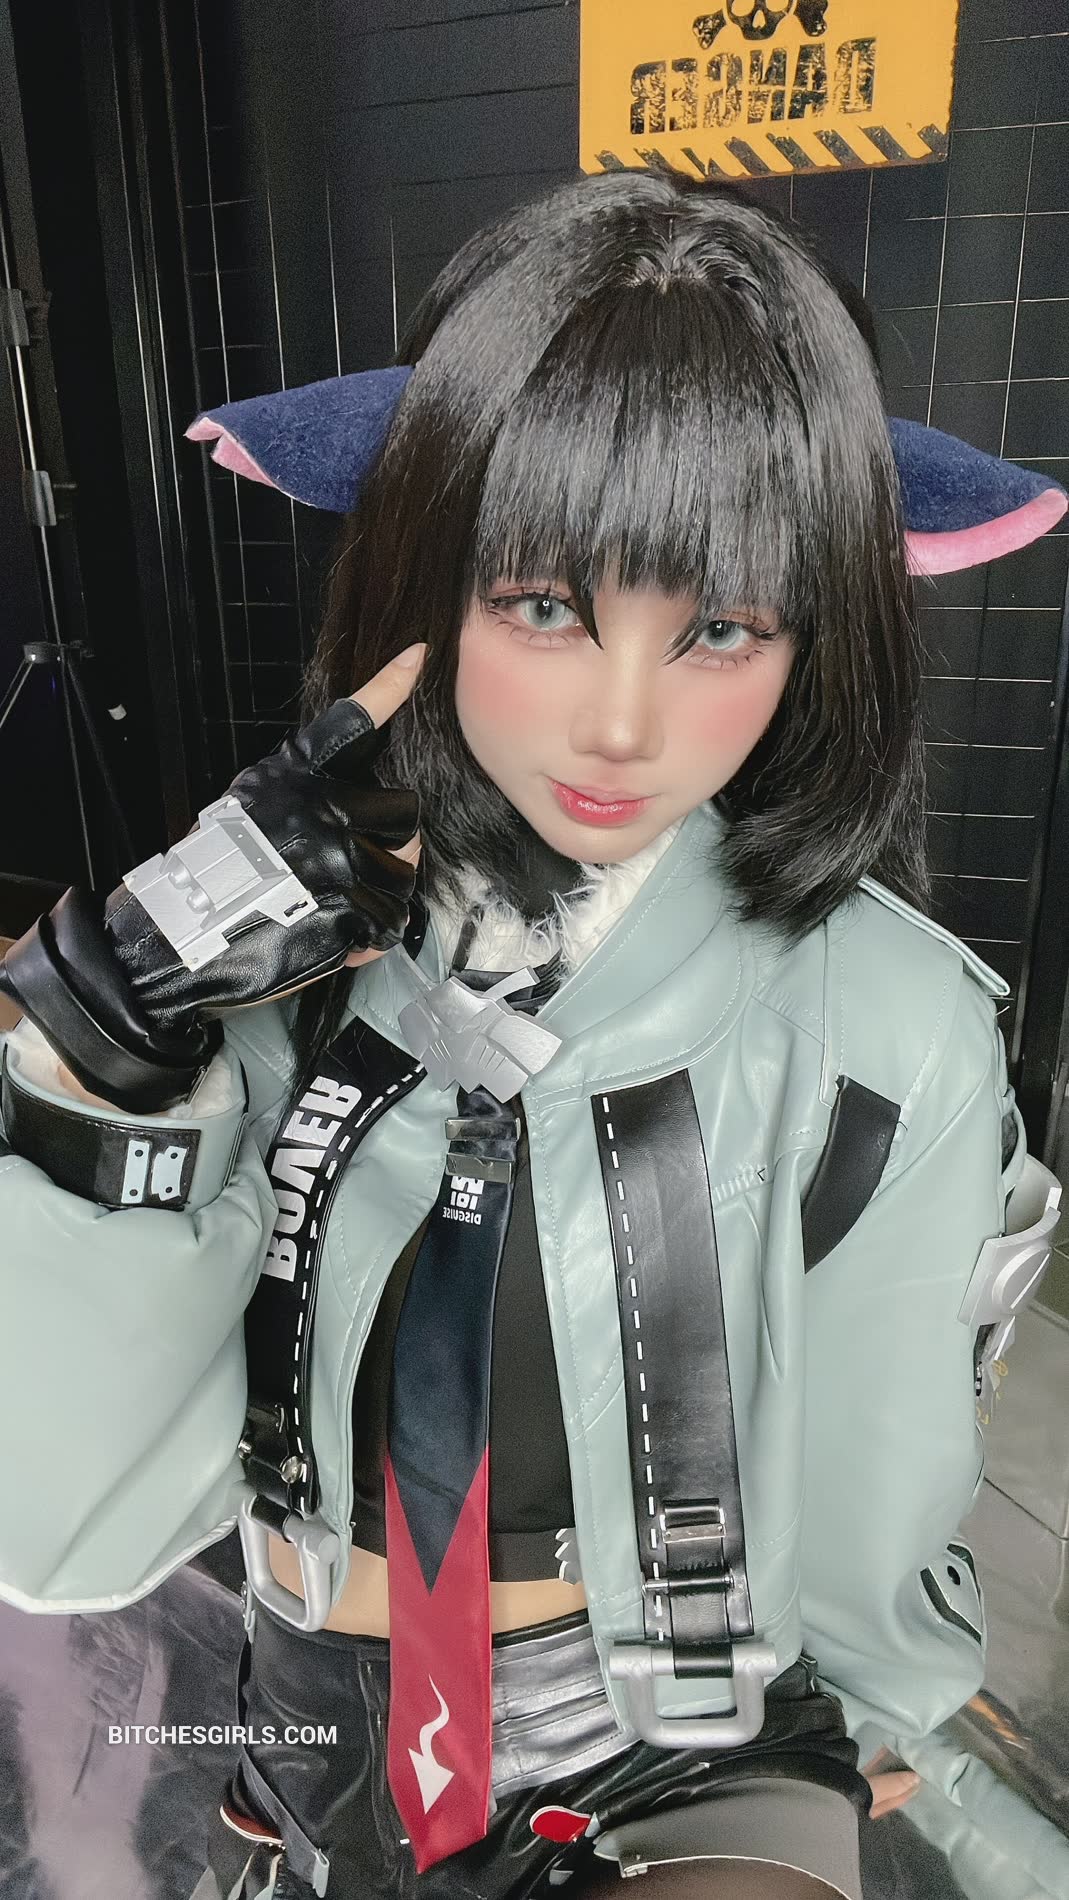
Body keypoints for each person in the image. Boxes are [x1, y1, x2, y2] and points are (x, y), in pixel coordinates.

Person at [0, 169, 1064, 1900]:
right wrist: (103, 1051)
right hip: (301, 1711)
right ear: (426, 581)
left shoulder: (883, 1024)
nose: (622, 722)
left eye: (718, 628)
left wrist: (882, 1710)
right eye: (546, 606)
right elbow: (61, 1520)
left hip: (667, 1731)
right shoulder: (282, 966)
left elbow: (884, 1463)